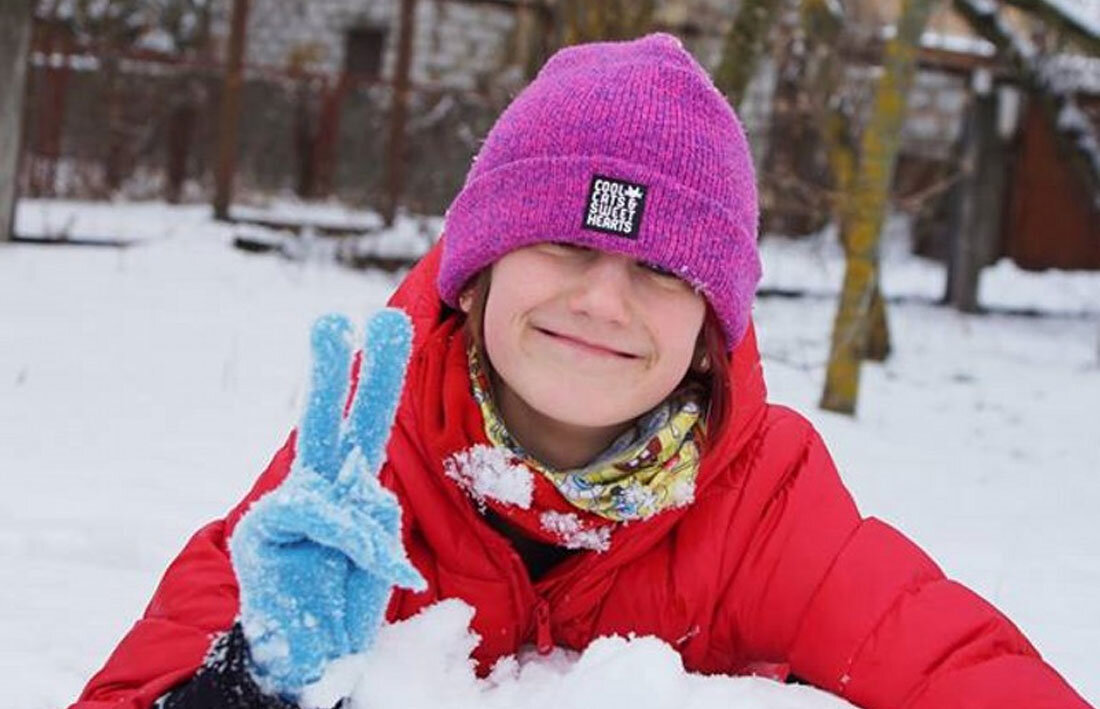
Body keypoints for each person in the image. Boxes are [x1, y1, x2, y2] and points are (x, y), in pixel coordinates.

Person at [72, 32, 1088, 709]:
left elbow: (966, 672)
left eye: (657, 271)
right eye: (562, 246)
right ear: (471, 278)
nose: (601, 302)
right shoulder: (361, 462)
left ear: (708, 331)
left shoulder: (762, 495)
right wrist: (241, 677)